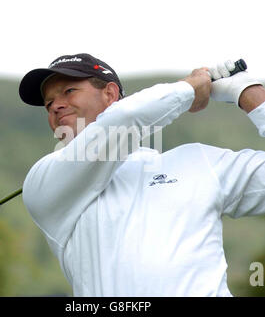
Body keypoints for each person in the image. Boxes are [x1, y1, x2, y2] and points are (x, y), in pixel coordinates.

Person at [19, 53, 265, 296]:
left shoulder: (198, 161)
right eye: (49, 103)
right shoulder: (43, 181)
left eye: (68, 91)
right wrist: (190, 88)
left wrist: (247, 92)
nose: (55, 106)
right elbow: (124, 119)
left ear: (110, 94)